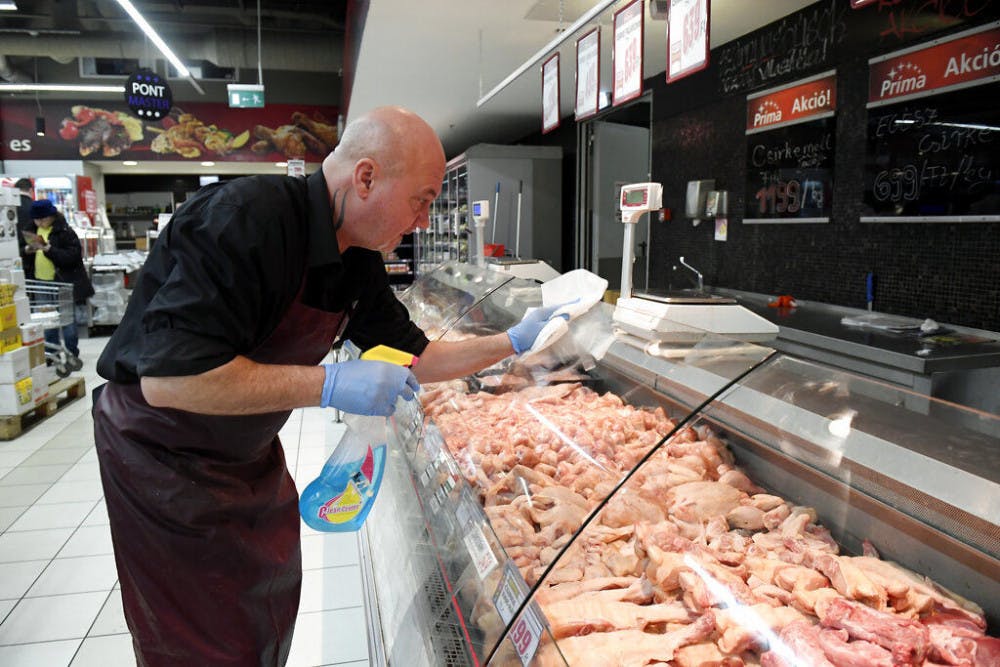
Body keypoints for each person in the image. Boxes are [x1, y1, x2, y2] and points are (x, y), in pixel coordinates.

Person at [92, 105, 568, 667]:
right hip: (164, 454)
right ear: (365, 177)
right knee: (200, 637)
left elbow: (419, 356)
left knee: (264, 603)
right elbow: (170, 381)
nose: (422, 220)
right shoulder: (247, 220)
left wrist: (512, 342)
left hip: (244, 451)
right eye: (421, 199)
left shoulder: (356, 259)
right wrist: (329, 383)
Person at [24, 199, 94, 359]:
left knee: (67, 319)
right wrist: (28, 250)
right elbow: (23, 253)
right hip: (40, 281)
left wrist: (49, 249)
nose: (40, 222)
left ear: (52, 216)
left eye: (43, 218)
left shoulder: (65, 231)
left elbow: (72, 256)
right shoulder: (31, 230)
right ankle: (51, 354)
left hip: (63, 282)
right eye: (37, 219)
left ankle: (71, 353)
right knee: (46, 320)